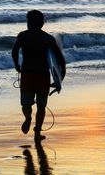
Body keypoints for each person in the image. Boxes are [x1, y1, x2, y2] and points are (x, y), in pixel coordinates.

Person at [12, 10, 66, 141]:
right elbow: (60, 59)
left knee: (26, 104)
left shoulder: (23, 36)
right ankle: (37, 132)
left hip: (27, 74)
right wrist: (60, 78)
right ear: (42, 23)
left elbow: (14, 52)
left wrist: (16, 65)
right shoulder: (47, 38)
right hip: (42, 75)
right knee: (41, 106)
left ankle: (28, 118)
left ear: (29, 22)